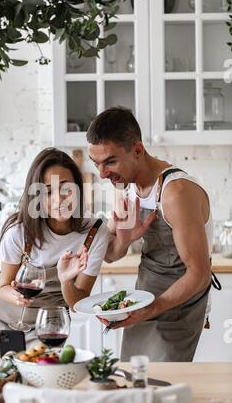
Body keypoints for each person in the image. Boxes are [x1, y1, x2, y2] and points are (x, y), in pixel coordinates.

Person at [87, 106, 216, 362]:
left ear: (137, 150)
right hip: (144, 293)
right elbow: (111, 255)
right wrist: (124, 240)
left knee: (163, 381)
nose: (103, 174)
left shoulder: (176, 192)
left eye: (110, 161)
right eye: (96, 164)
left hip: (181, 301)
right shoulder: (124, 186)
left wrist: (152, 308)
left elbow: (199, 275)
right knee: (134, 376)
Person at [0, 148, 109, 358]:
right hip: (4, 321)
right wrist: (14, 295)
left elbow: (77, 303)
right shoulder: (19, 232)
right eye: (48, 192)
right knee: (5, 380)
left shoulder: (94, 233)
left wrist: (66, 280)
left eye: (66, 189)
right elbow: (4, 285)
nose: (60, 199)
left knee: (44, 377)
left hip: (49, 324)